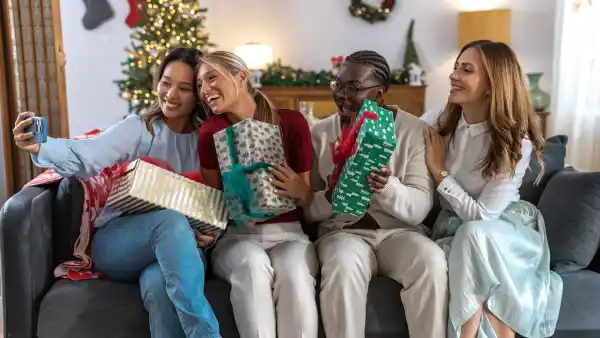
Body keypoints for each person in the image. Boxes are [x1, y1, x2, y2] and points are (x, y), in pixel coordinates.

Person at [12, 47, 221, 338]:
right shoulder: (139, 129)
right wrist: (40, 145)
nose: (171, 94)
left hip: (181, 249)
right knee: (171, 221)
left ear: (198, 93)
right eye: (166, 82)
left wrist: (211, 234)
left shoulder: (208, 140)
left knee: (161, 286)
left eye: (184, 88)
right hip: (121, 243)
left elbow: (221, 203)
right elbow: (88, 155)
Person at [424, 40, 563, 338]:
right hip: (455, 228)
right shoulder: (443, 117)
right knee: (469, 245)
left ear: (491, 85)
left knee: (472, 236)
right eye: (456, 67)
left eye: (467, 70)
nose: (453, 75)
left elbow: (482, 218)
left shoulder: (515, 141)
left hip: (502, 229)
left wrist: (440, 172)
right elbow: (403, 131)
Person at [305, 50, 448, 338]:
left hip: (399, 233)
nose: (342, 94)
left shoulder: (414, 131)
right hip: (342, 232)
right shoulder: (320, 133)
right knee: (343, 264)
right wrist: (331, 196)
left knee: (431, 260)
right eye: (338, 85)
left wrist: (388, 187)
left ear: (380, 93)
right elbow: (307, 211)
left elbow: (420, 207)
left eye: (353, 88)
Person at [197, 51, 318, 338]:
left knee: (295, 273)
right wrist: (229, 210)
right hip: (238, 237)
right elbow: (213, 202)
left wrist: (303, 192)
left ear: (241, 76)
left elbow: (306, 199)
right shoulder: (211, 132)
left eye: (211, 78)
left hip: (290, 233)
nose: (204, 90)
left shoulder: (291, 122)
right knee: (252, 265)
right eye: (200, 84)